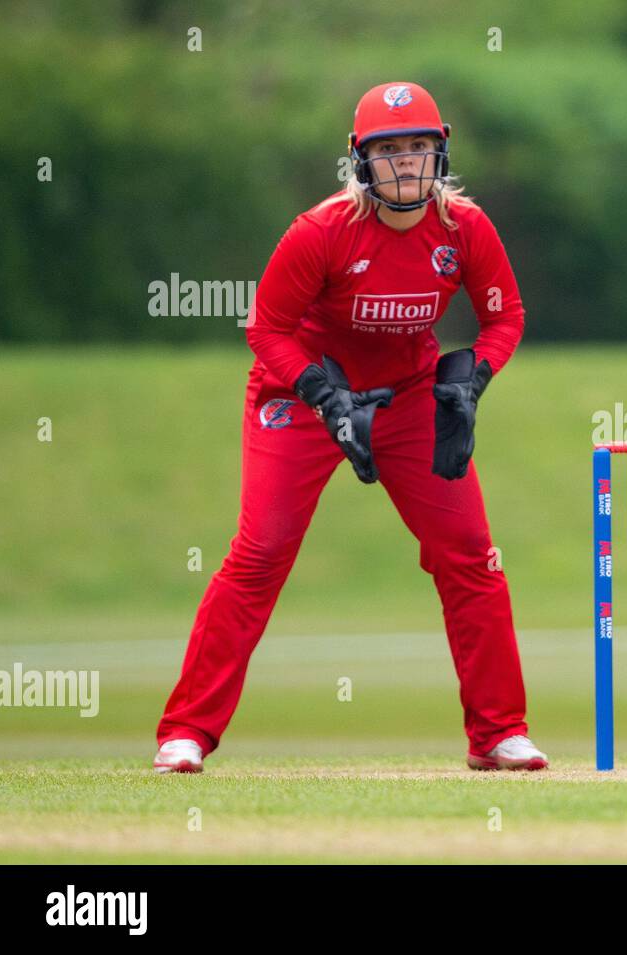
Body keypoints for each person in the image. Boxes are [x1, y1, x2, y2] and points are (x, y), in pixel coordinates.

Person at [153, 82, 547, 773]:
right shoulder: (322, 231)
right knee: (261, 552)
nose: (405, 164)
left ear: (441, 154)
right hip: (301, 393)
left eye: (419, 149)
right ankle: (185, 731)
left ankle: (497, 732)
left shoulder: (463, 230)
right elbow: (266, 327)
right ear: (359, 160)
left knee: (471, 553)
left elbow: (504, 317)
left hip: (411, 393)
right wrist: (321, 395)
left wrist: (473, 378)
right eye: (388, 150)